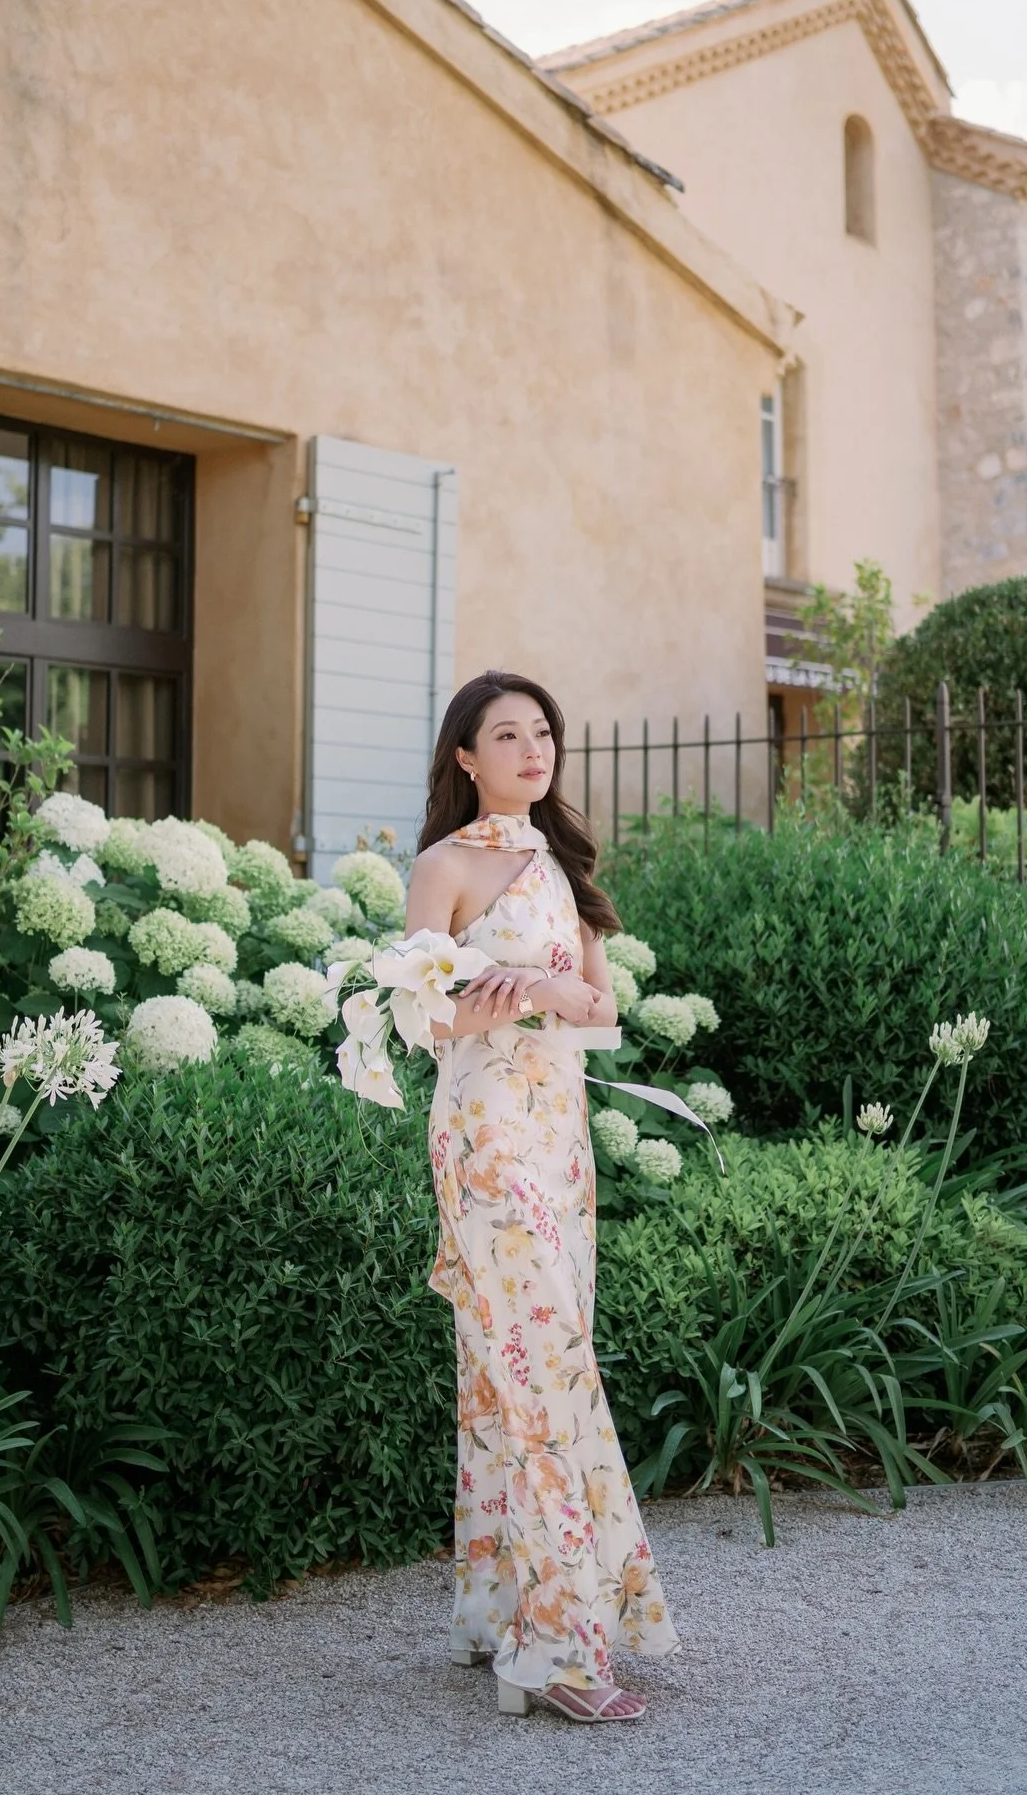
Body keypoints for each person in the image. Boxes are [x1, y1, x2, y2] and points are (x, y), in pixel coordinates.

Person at [403, 668, 680, 1724]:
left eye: (543, 734)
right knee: (536, 1370)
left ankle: (497, 1608)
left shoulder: (563, 864)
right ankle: (558, 1654)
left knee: (518, 1368)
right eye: (507, 735)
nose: (532, 749)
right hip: (484, 1140)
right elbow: (421, 1019)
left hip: (561, 1143)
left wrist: (554, 992)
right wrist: (510, 1001)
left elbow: (600, 1009)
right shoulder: (446, 867)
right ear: (466, 757)